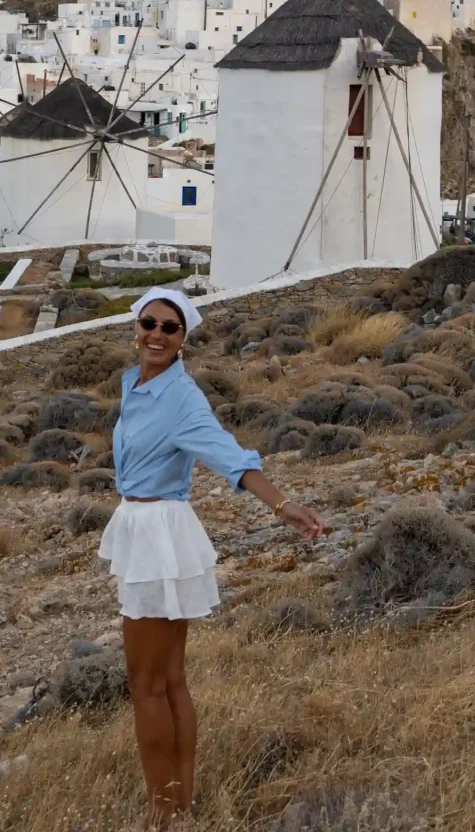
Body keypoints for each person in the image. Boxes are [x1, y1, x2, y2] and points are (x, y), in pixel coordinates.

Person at [98, 288, 323, 829]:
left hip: (159, 533)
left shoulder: (180, 396)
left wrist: (283, 504)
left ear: (183, 340)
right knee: (169, 677)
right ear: (137, 327)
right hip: (144, 525)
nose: (156, 333)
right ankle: (179, 806)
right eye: (149, 322)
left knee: (146, 681)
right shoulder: (136, 384)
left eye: (169, 328)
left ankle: (162, 812)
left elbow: (229, 456)